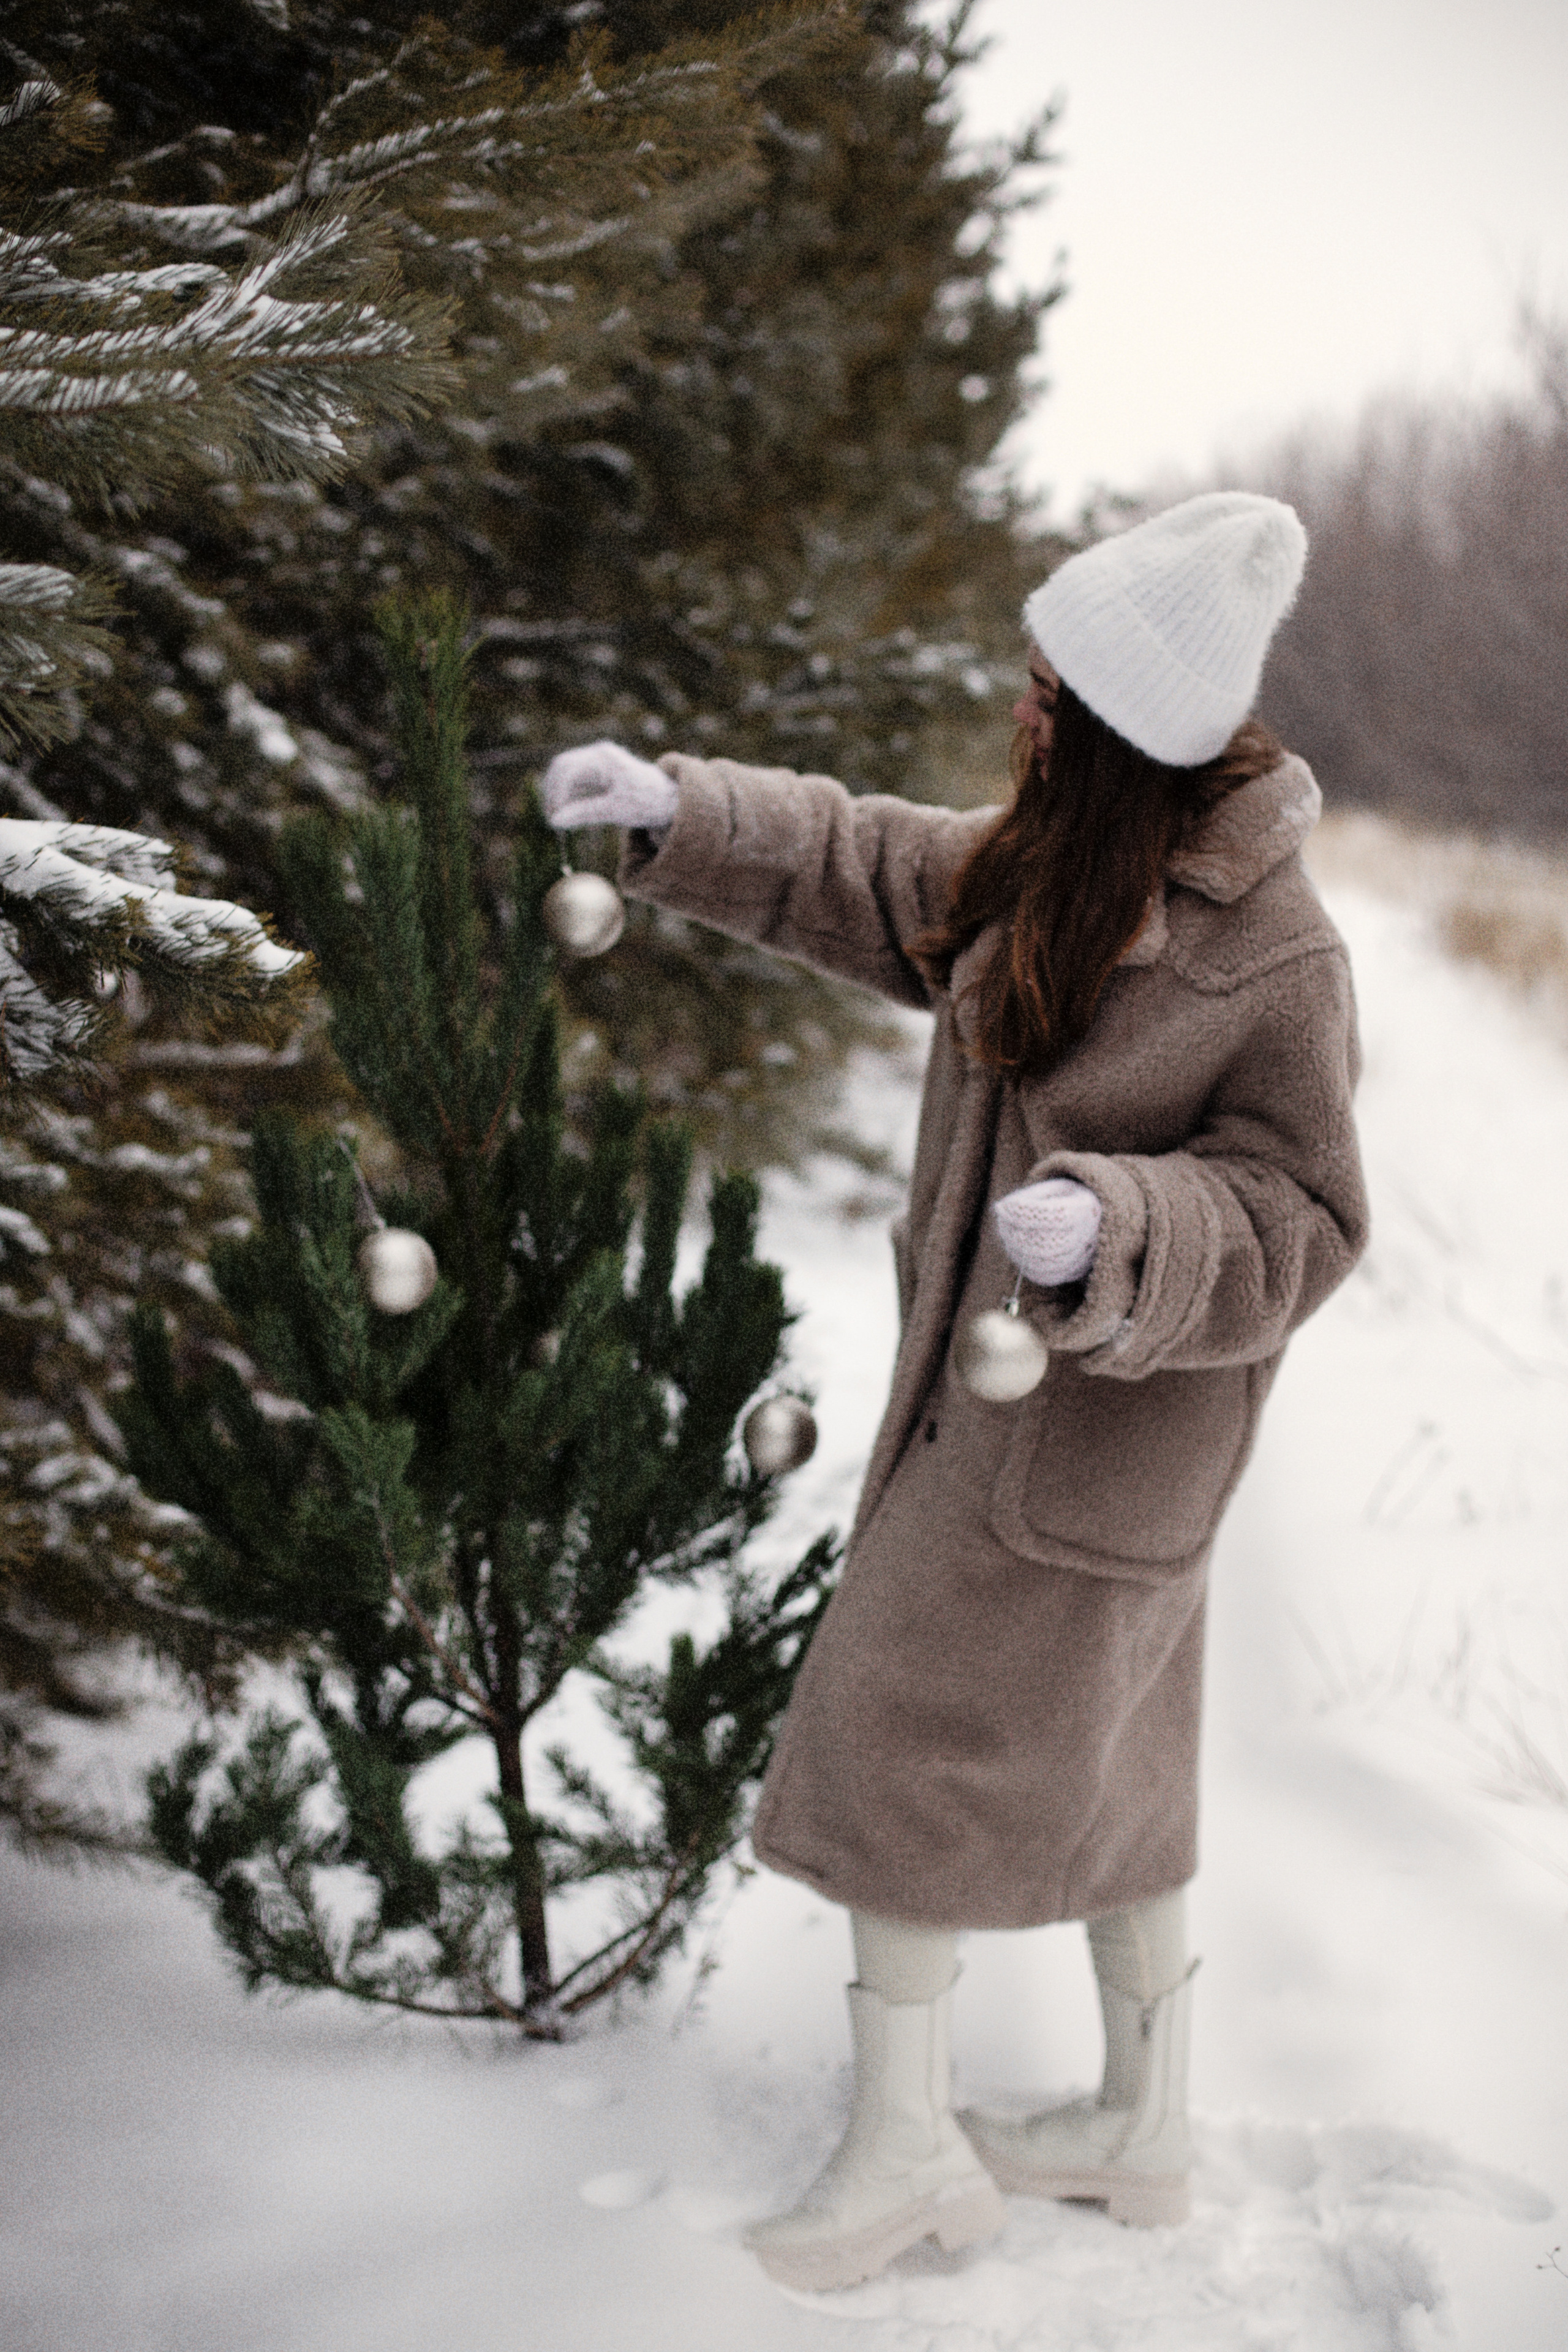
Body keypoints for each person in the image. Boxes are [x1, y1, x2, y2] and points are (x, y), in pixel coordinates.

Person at [539, 492, 1370, 2293]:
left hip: (1099, 1437)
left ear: (1141, 738)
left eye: (1055, 698)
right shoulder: (1060, 865)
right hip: (1011, 1422)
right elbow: (880, 871)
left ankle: (908, 2153)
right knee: (1125, 1769)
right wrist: (682, 816)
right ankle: (1145, 2129)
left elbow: (1307, 1217)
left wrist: (1127, 1225)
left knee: (898, 1744)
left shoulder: (1275, 957)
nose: (1025, 712)